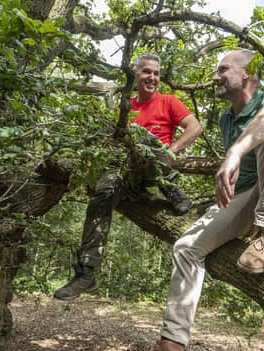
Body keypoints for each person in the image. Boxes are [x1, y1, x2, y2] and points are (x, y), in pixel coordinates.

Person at [112, 49, 264, 351]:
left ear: (249, 73)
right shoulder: (225, 119)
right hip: (248, 197)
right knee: (186, 248)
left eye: (223, 70)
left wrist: (235, 151)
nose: (215, 77)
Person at [54, 53, 203, 301]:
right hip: (125, 172)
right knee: (102, 194)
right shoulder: (127, 107)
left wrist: (173, 150)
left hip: (155, 169)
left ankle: (171, 188)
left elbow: (195, 127)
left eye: (156, 73)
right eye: (146, 72)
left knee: (146, 141)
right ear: (136, 75)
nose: (152, 77)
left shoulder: (168, 101)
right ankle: (87, 272)